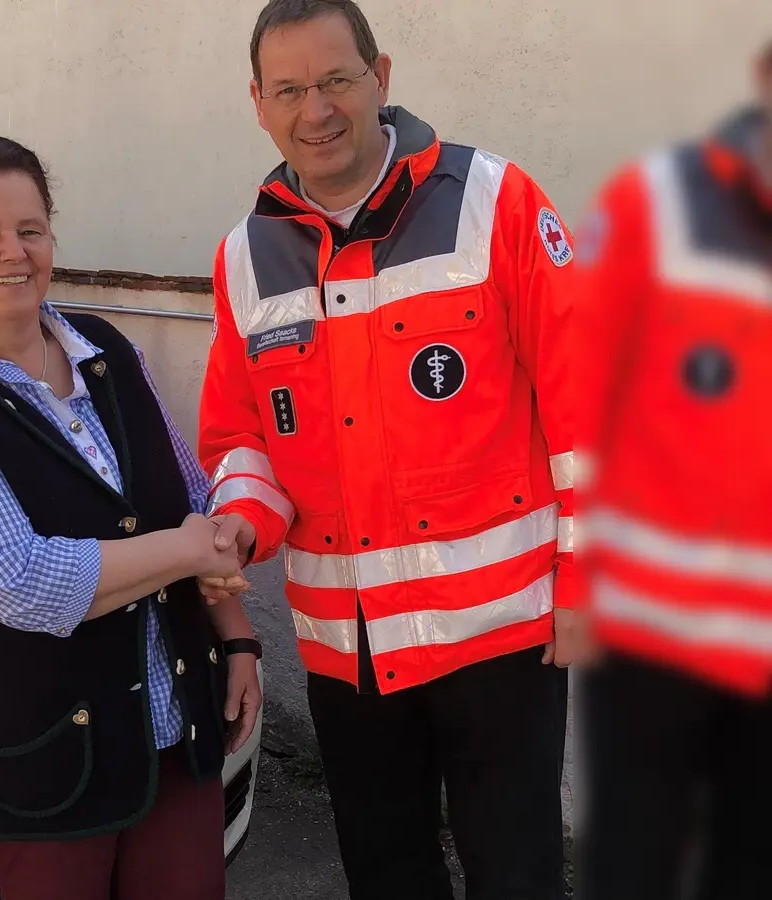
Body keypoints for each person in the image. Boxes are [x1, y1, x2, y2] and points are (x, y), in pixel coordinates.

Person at [195, 1, 576, 897]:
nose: (317, 109)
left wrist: (587, 581)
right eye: (290, 89)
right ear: (259, 103)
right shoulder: (243, 257)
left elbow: (585, 406)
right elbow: (239, 436)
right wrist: (241, 520)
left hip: (501, 633)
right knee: (386, 874)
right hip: (348, 649)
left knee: (517, 874)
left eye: (336, 79)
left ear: (382, 77)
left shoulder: (494, 200)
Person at [0, 132, 263, 900]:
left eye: (31, 229)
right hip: (48, 763)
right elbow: (24, 583)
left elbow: (191, 500)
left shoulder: (106, 350)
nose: (13, 252)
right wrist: (188, 551)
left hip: (174, 727)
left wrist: (239, 638)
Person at [575, 38, 772, 900]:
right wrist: (574, 585)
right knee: (633, 867)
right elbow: (579, 402)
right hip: (653, 636)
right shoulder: (656, 202)